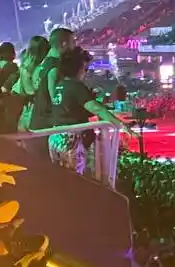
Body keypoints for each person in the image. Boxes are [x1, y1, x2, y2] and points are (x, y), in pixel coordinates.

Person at [47, 48, 124, 176]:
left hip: (56, 137)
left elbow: (77, 109)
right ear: (79, 68)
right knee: (76, 181)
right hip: (71, 140)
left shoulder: (60, 85)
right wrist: (120, 125)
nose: (85, 73)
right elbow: (96, 108)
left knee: (61, 179)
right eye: (85, 69)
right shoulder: (76, 86)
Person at [30, 28, 77, 134]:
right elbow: (55, 99)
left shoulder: (42, 64)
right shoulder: (55, 67)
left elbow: (35, 88)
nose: (75, 45)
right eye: (73, 41)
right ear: (64, 44)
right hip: (47, 126)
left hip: (37, 122)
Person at [10, 36, 49, 131]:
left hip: (25, 111)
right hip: (35, 111)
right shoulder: (33, 68)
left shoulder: (25, 65)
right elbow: (30, 91)